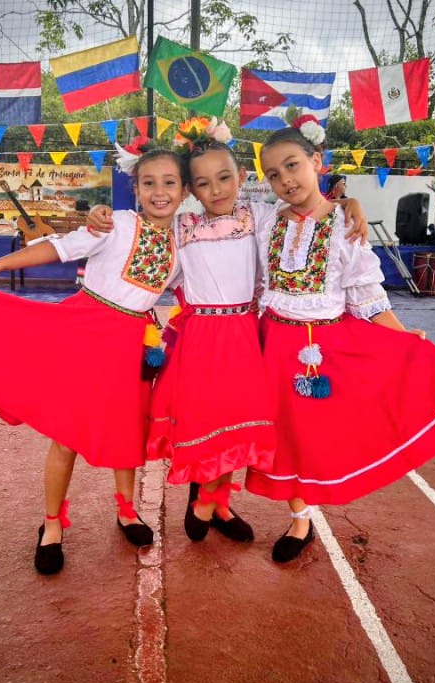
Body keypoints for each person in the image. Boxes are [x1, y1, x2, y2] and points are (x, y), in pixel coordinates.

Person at [86, 118, 371, 544]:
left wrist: (349, 203)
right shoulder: (182, 226)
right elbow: (146, 238)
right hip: (200, 338)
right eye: (203, 183)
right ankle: (207, 497)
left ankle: (217, 502)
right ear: (191, 190)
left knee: (241, 421)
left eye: (224, 178)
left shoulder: (260, 217)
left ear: (241, 176)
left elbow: (306, 208)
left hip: (247, 336)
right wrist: (99, 216)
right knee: (207, 419)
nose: (216, 190)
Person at [245, 125, 435, 563]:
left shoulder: (345, 225)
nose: (286, 180)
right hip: (273, 344)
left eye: (293, 165)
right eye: (274, 174)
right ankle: (300, 519)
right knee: (282, 436)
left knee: (322, 436)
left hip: (328, 348)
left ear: (317, 162)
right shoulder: (265, 222)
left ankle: (314, 503)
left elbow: (367, 295)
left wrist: (400, 336)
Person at [0, 147, 189, 575]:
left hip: (133, 344)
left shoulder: (182, 242)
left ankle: (126, 510)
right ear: (135, 189)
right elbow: (58, 248)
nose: (159, 192)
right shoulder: (116, 224)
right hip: (85, 335)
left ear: (184, 190)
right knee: (66, 436)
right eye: (149, 183)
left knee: (127, 428)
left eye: (169, 183)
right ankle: (52, 523)